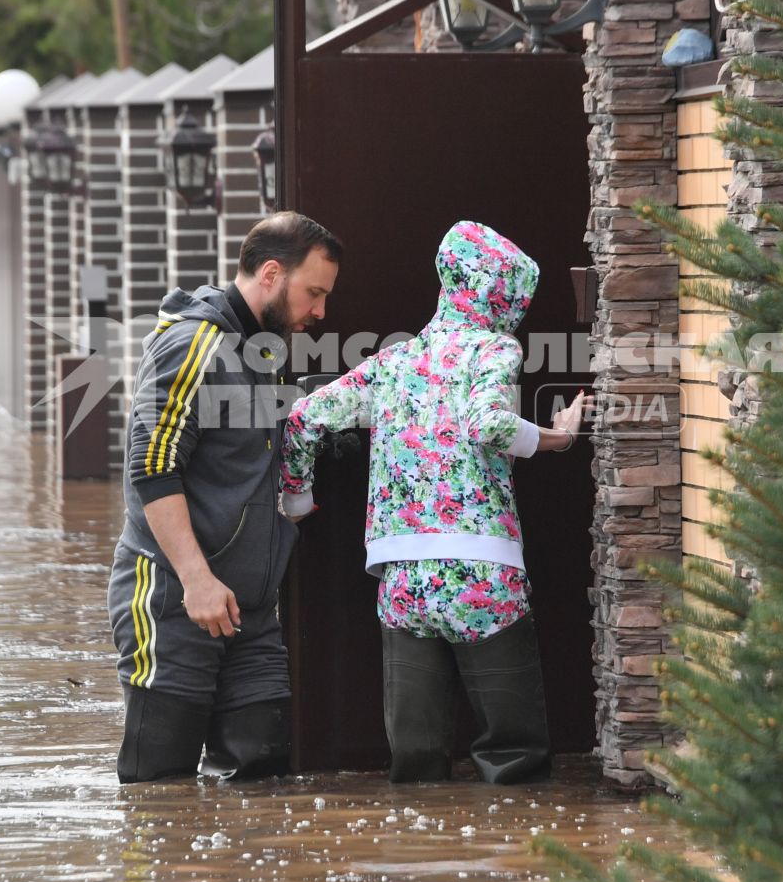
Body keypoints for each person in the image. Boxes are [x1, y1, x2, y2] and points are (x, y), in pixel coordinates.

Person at [280, 221, 584, 784]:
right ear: (506, 295)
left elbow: (302, 419)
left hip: (403, 577)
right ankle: (516, 856)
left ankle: (419, 866)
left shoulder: (394, 363)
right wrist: (556, 437)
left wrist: (297, 503)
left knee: (415, 762)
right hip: (483, 574)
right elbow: (489, 423)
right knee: (514, 759)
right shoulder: (494, 348)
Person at [108, 211, 342, 783]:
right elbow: (152, 466)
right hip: (175, 600)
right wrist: (196, 580)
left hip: (251, 614)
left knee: (262, 785)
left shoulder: (263, 352)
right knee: (158, 795)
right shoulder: (194, 344)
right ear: (270, 274)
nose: (321, 312)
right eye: (313, 293)